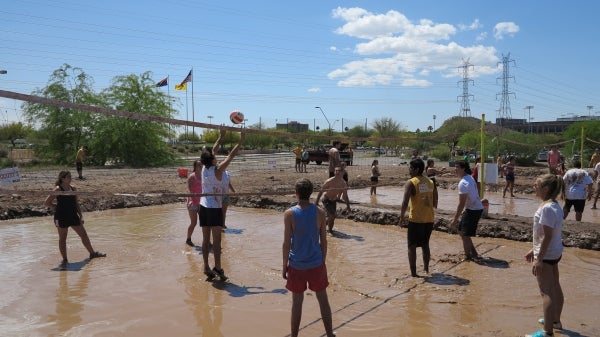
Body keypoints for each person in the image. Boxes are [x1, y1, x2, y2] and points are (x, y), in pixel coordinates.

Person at [282, 178, 335, 337]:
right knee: (323, 300)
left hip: (297, 265)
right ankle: (330, 334)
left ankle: (294, 336)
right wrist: (323, 262)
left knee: (297, 304)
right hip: (316, 263)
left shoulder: (290, 213)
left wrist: (284, 265)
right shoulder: (320, 212)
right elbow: (324, 241)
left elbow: (286, 243)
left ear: (296, 194)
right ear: (311, 193)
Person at [199, 129, 245, 280]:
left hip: (203, 206)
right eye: (214, 157)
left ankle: (206, 267)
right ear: (212, 160)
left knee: (206, 240)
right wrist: (240, 141)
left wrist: (221, 136)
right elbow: (231, 156)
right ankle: (218, 268)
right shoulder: (218, 171)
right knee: (217, 242)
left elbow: (214, 149)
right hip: (214, 208)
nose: (215, 156)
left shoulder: (204, 168)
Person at [525, 174, 565, 337]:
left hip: (547, 255)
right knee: (555, 285)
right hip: (554, 252)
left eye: (536, 185)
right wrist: (532, 250)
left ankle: (547, 332)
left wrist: (539, 259)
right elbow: (546, 234)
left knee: (546, 292)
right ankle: (555, 321)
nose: (534, 187)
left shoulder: (547, 208)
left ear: (546, 189)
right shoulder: (554, 205)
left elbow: (546, 236)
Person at [44, 170, 106, 269]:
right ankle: (64, 260)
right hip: (61, 217)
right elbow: (47, 203)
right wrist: (55, 207)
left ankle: (92, 253)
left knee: (84, 235)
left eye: (70, 176)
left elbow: (76, 203)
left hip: (73, 216)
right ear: (62, 178)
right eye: (68, 177)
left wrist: (81, 215)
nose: (70, 178)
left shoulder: (73, 188)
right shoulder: (57, 189)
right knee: (63, 239)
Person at [400, 159, 438, 277]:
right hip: (429, 218)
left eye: (411, 168)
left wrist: (401, 217)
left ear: (416, 169)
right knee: (425, 244)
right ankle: (426, 269)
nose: (409, 170)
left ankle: (414, 274)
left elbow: (405, 202)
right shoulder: (430, 181)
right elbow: (435, 200)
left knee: (412, 247)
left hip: (416, 219)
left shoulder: (411, 182)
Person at [449, 160, 484, 261]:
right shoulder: (469, 177)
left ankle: (468, 258)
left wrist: (455, 219)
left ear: (463, 168)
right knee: (461, 231)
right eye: (455, 167)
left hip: (473, 209)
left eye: (457, 167)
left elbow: (461, 204)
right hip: (475, 207)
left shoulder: (463, 183)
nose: (455, 169)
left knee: (464, 235)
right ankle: (474, 253)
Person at [316, 166, 351, 233]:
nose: (337, 172)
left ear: (342, 173)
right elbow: (321, 191)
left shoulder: (343, 183)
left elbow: (345, 196)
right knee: (333, 215)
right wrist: (316, 202)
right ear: (334, 172)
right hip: (326, 199)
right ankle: (325, 228)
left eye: (339, 171)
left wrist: (348, 206)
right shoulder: (329, 181)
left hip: (333, 201)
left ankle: (329, 230)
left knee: (332, 216)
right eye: (336, 171)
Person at [185, 160, 202, 247]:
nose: (201, 166)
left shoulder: (203, 176)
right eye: (199, 165)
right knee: (194, 222)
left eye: (201, 164)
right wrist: (195, 202)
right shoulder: (192, 176)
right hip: (192, 202)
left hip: (202, 202)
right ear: (195, 167)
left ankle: (207, 241)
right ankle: (188, 239)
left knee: (205, 223)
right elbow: (190, 190)